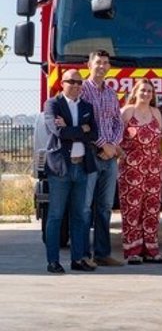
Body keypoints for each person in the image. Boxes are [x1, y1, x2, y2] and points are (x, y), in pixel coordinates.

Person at [43, 69, 99, 273]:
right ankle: (53, 261)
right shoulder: (52, 104)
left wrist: (73, 130)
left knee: (80, 216)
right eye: (72, 81)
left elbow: (94, 133)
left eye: (79, 82)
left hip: (82, 167)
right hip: (60, 169)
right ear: (62, 83)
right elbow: (58, 132)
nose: (76, 85)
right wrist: (80, 130)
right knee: (56, 216)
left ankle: (77, 259)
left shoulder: (87, 106)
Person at [80, 50, 125, 267]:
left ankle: (102, 253)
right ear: (89, 64)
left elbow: (118, 122)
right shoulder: (82, 91)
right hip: (91, 155)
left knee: (105, 207)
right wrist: (102, 145)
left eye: (105, 63)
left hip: (110, 158)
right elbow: (84, 124)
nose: (101, 66)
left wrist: (114, 146)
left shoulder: (110, 93)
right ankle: (83, 254)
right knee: (85, 207)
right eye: (98, 62)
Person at [118, 78, 162, 264]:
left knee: (152, 209)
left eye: (149, 91)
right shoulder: (127, 112)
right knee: (132, 209)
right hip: (131, 168)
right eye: (143, 90)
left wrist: (160, 167)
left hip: (153, 168)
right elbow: (117, 138)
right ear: (135, 92)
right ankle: (133, 251)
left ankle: (151, 250)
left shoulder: (156, 113)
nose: (146, 94)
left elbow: (159, 142)